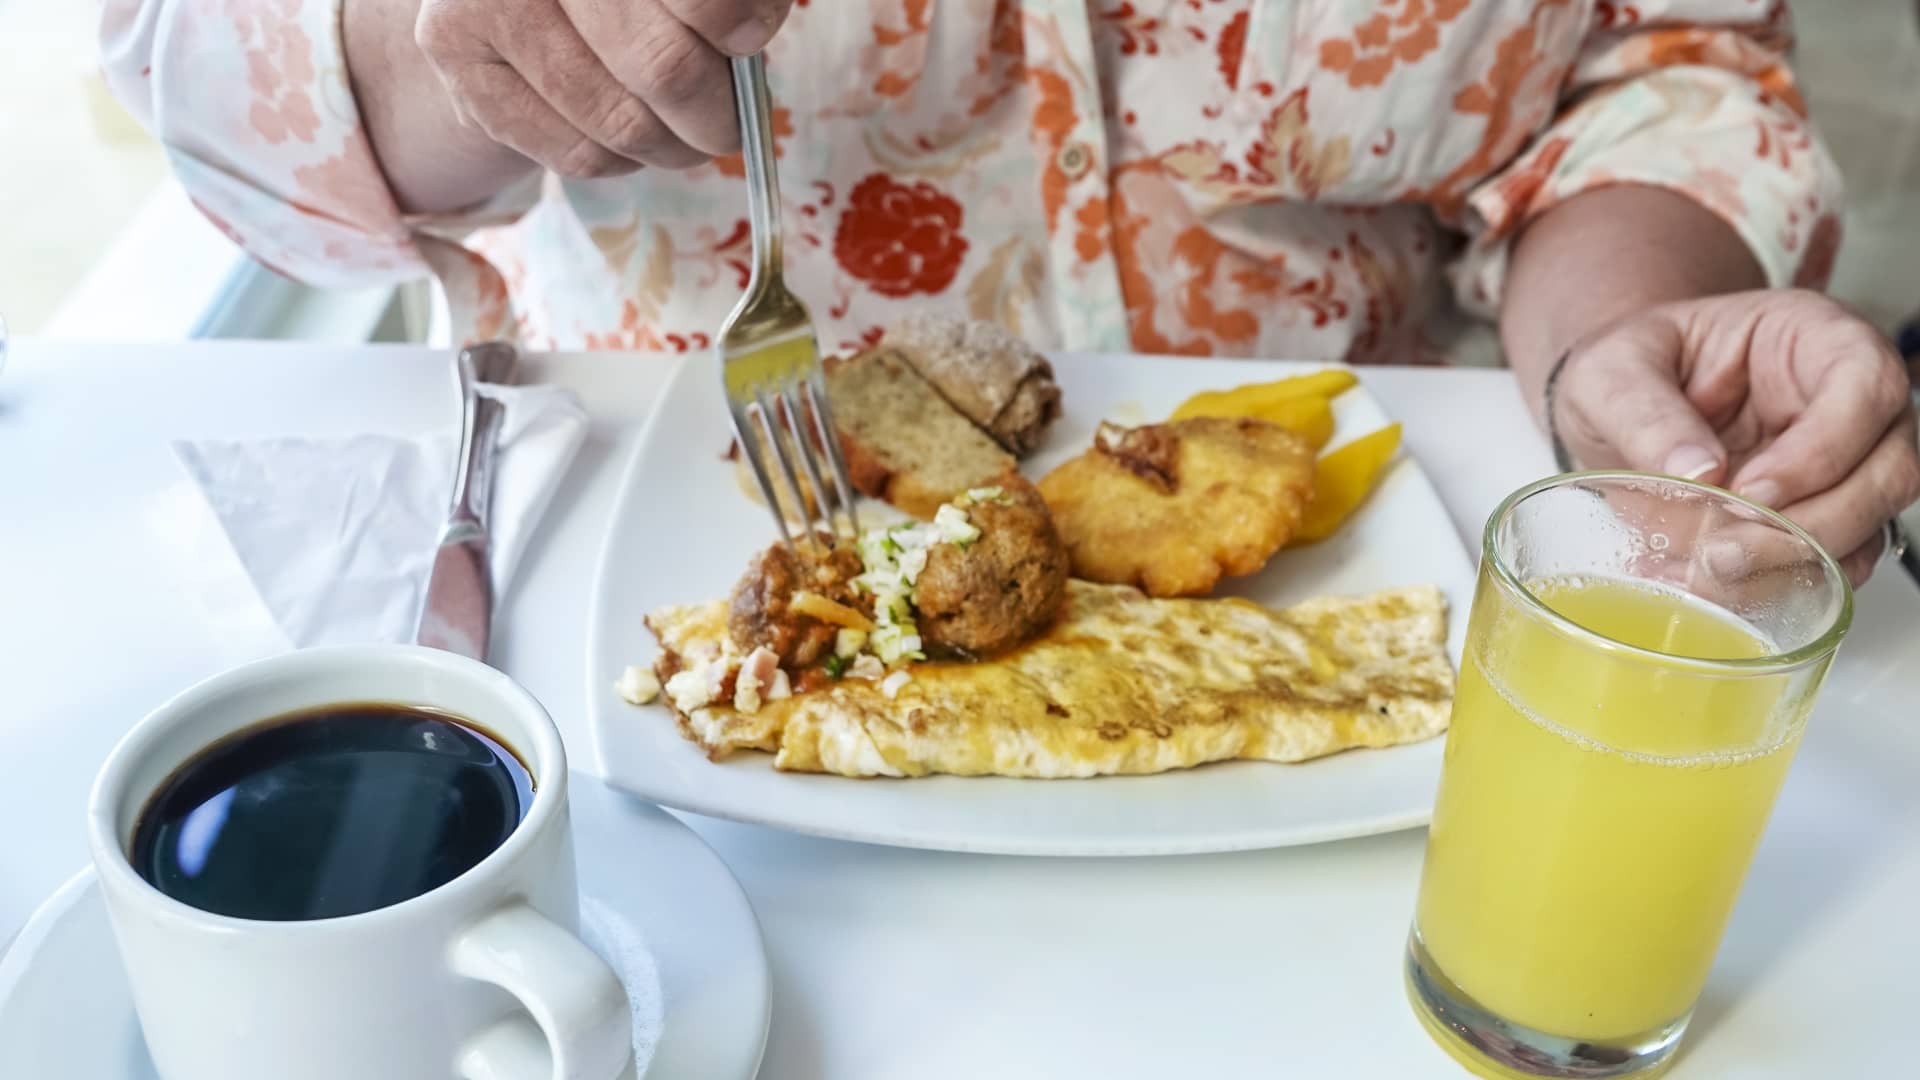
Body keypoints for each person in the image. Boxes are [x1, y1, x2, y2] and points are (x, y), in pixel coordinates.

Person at [101, 0, 1917, 583]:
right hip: (653, 565)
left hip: (1376, 549)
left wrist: (1620, 340)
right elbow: (203, 69)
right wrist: (468, 45)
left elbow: (1659, 53)